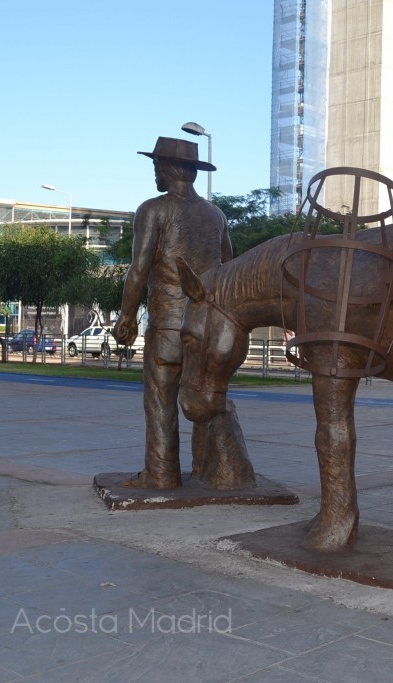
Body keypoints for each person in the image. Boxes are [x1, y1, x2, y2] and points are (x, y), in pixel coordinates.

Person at [115, 137, 254, 490]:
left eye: (156, 167)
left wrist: (127, 316)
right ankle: (209, 470)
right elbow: (226, 271)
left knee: (161, 400)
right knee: (204, 398)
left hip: (168, 324)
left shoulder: (153, 209)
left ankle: (161, 473)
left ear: (169, 169)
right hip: (206, 330)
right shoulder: (216, 214)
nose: (155, 175)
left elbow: (139, 268)